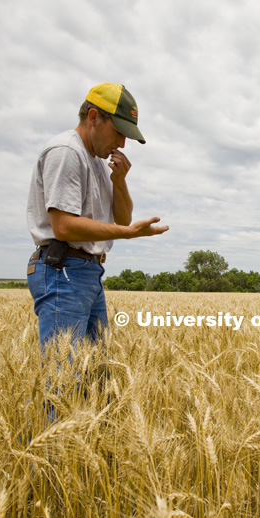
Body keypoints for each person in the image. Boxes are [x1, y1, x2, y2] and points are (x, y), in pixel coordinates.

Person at [26, 83, 168, 350]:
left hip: (87, 271)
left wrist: (120, 180)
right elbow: (64, 227)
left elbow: (123, 218)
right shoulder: (67, 151)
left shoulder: (98, 162)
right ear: (93, 117)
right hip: (64, 270)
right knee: (65, 381)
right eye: (119, 132)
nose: (123, 143)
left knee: (96, 375)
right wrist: (129, 234)